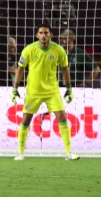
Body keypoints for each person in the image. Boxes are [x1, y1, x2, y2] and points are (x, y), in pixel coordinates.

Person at [10, 23, 80, 161]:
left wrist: (69, 88)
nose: (43, 35)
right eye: (41, 33)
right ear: (37, 35)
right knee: (26, 119)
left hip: (52, 91)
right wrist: (15, 88)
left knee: (62, 117)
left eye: (46, 33)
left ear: (51, 35)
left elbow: (65, 69)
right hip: (33, 92)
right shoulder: (29, 50)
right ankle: (20, 152)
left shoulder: (59, 50)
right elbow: (20, 69)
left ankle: (68, 152)